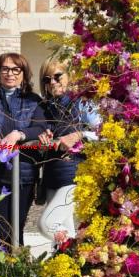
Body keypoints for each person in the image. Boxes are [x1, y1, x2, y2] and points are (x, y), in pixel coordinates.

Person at [0, 52, 46, 247]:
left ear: (23, 73)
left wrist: (19, 134)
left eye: (15, 69)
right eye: (5, 69)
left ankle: (14, 272)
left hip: (23, 175)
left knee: (15, 230)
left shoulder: (33, 100)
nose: (10, 73)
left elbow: (41, 127)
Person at [36, 57, 99, 240]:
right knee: (64, 234)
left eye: (57, 76)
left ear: (68, 76)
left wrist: (80, 135)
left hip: (74, 175)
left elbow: (103, 133)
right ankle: (71, 261)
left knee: (47, 225)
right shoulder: (45, 107)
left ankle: (77, 254)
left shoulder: (82, 103)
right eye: (46, 79)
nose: (52, 82)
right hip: (51, 175)